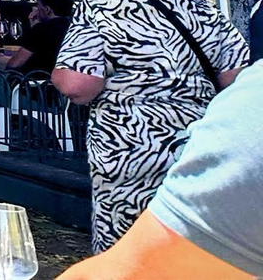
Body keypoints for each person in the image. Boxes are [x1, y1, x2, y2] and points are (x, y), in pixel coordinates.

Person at [51, 0, 248, 253]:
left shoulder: (99, 11)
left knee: (129, 254)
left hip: (127, 158)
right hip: (196, 153)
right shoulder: (202, 9)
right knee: (188, 253)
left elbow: (77, 85)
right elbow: (237, 80)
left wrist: (57, 75)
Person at [59, 62, 263, 280]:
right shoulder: (217, 27)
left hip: (128, 149)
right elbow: (232, 74)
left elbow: (76, 85)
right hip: (197, 146)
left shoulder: (96, 26)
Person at [0, 0, 72, 147]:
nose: (36, 7)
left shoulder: (43, 30)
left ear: (47, 9)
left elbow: (14, 64)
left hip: (30, 93)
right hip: (59, 96)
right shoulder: (73, 29)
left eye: (38, 4)